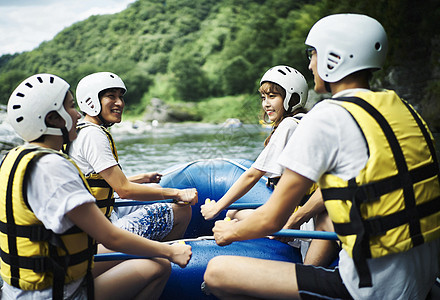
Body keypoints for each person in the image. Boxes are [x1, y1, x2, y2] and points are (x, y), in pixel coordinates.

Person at [203, 13, 440, 299]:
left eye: (313, 54)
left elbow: (272, 219)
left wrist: (227, 232)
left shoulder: (328, 116)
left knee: (216, 272)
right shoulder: (404, 109)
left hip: (368, 289)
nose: (310, 64)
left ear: (334, 57)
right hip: (422, 281)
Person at [0, 73, 192, 299]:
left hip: (29, 285)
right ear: (53, 118)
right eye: (72, 107)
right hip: (56, 292)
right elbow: (112, 237)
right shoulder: (53, 168)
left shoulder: (17, 157)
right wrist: (170, 251)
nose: (78, 113)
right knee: (159, 265)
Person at [200, 65, 336, 266]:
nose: (266, 104)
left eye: (272, 96)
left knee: (229, 213)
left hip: (312, 221)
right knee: (234, 214)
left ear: (292, 98)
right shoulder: (305, 120)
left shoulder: (288, 126)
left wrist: (218, 206)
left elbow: (253, 174)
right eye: (263, 98)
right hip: (307, 215)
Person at [68, 72, 197, 242]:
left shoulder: (80, 130)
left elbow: (99, 183)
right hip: (99, 229)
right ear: (91, 101)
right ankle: (168, 257)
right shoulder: (93, 135)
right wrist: (177, 193)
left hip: (95, 219)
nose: (120, 103)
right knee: (181, 210)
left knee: (156, 190)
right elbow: (124, 190)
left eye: (120, 97)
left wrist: (142, 178)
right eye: (111, 96)